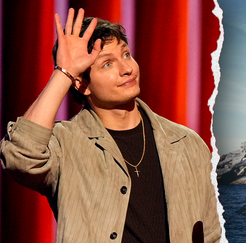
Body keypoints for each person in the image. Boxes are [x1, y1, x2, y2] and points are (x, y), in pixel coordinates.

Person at [0, 8, 221, 243]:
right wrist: (64, 72)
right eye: (107, 64)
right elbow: (20, 156)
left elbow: (211, 235)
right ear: (82, 84)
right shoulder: (66, 144)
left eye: (126, 55)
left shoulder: (187, 143)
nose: (127, 69)